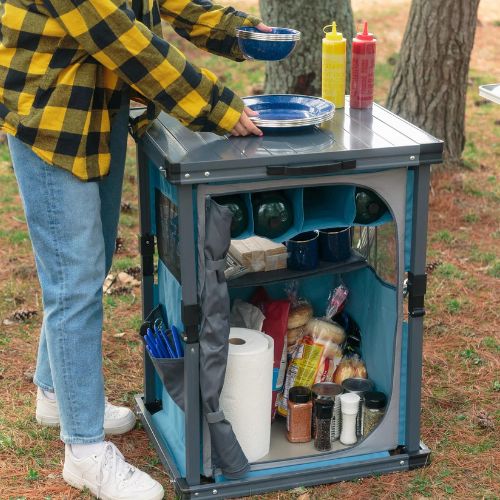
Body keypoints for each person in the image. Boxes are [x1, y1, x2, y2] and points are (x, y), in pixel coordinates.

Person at [0, 0, 270, 497]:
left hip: (100, 109)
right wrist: (218, 105)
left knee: (90, 259)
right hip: (51, 117)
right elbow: (121, 38)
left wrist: (246, 32)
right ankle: (83, 450)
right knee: (74, 281)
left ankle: (57, 393)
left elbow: (172, 3)